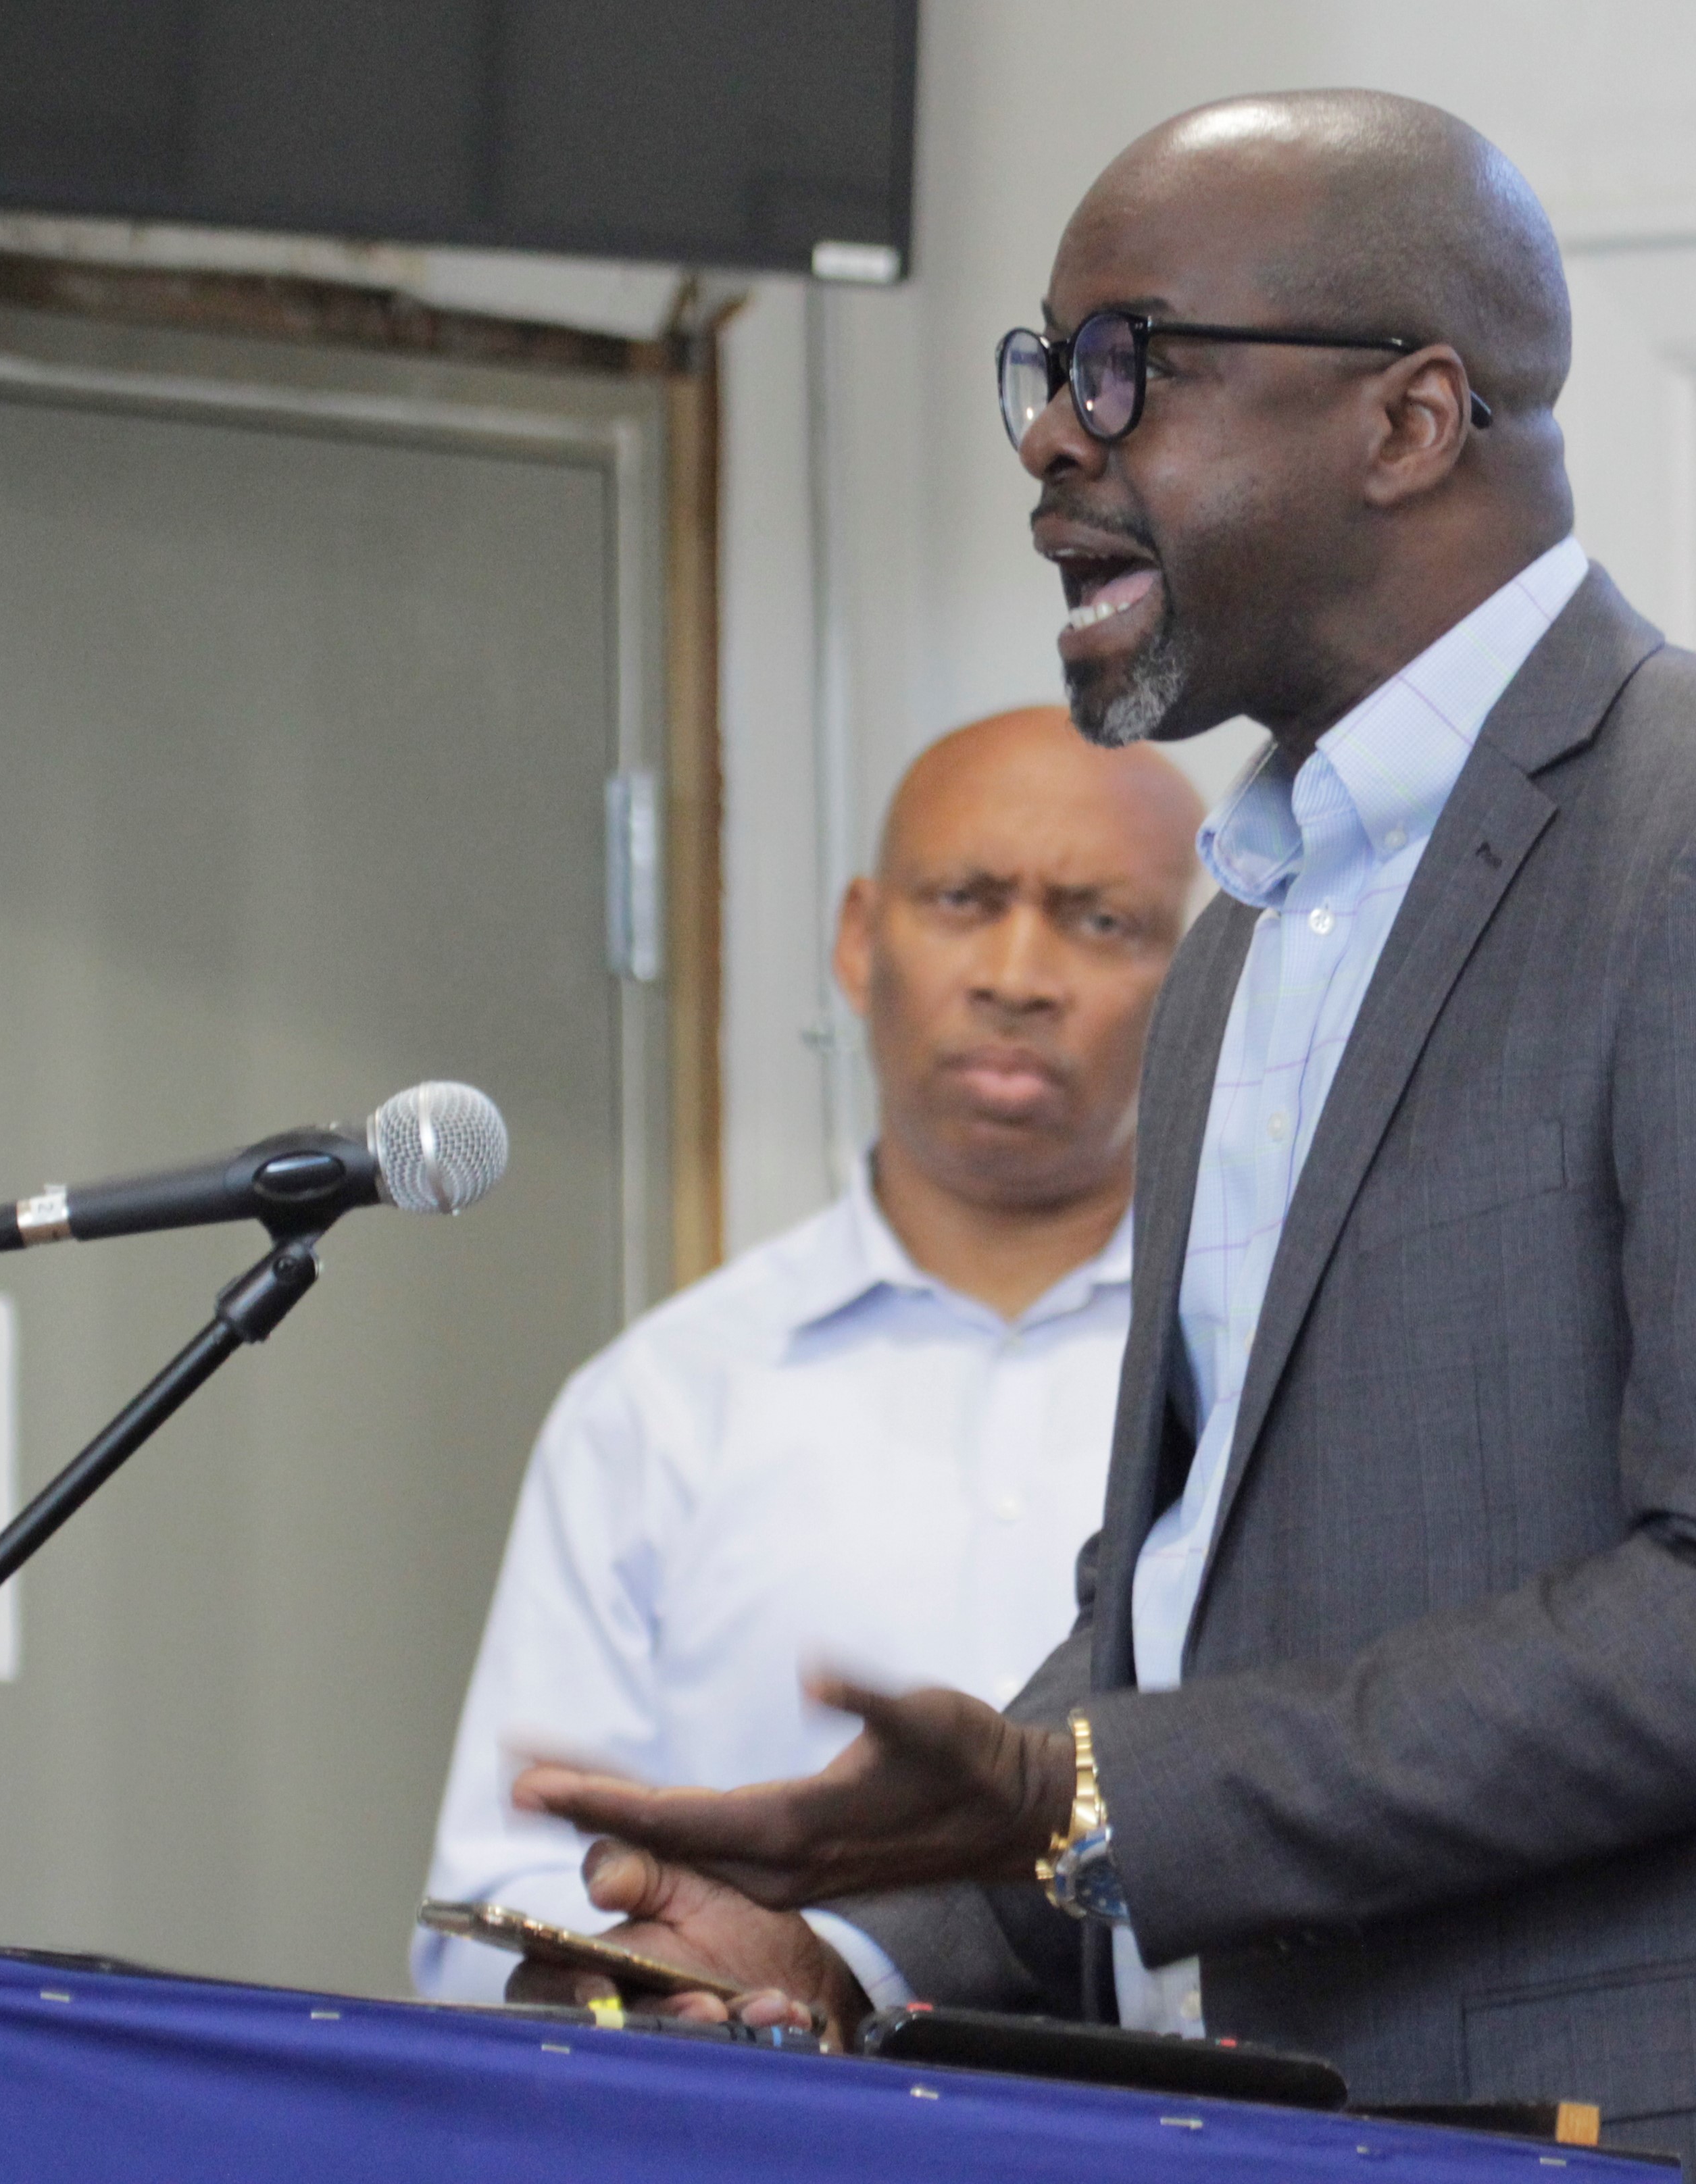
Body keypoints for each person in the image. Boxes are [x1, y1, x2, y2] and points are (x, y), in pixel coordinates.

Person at [513, 90, 1696, 2183]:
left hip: (1656, 2135)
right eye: (1042, 375)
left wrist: (1078, 1790)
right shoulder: (1250, 919)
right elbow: (1186, 1617)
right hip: (1276, 2126)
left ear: (1408, 420)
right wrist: (854, 1932)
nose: (1054, 439)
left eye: (1123, 362)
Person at [411, 707, 1201, 2003]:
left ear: (1202, 975)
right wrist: (663, 1972)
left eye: (1099, 919)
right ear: (856, 937)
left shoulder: (1239, 1379)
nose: (1017, 970)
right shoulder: (660, 1402)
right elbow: (496, 1894)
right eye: (963, 898)